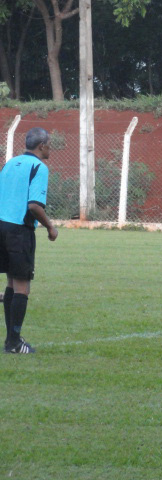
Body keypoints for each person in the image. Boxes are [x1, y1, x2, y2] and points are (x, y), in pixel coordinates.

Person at [0, 127, 58, 353]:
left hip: (2, 226)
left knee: (11, 284)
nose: (50, 147)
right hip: (19, 231)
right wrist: (50, 227)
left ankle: (10, 341)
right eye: (49, 143)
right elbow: (34, 205)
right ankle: (14, 343)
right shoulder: (39, 167)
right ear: (42, 145)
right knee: (22, 287)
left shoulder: (10, 164)